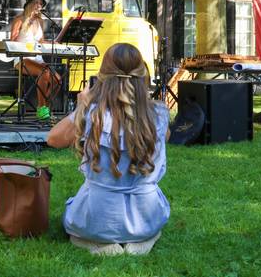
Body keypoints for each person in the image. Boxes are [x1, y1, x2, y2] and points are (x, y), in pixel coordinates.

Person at [47, 43, 170, 255]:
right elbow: (164, 138)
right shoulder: (159, 114)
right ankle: (142, 241)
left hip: (97, 217)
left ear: (102, 75)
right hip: (145, 216)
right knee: (149, 227)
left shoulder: (91, 113)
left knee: (76, 221)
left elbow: (53, 139)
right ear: (142, 76)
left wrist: (81, 107)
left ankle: (99, 244)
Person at [10, 0, 60, 117]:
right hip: (22, 58)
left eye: (41, 4)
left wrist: (53, 43)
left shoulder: (40, 21)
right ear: (29, 5)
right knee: (44, 72)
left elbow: (41, 41)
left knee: (57, 80)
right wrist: (26, 24)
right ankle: (42, 109)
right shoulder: (19, 19)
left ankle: (45, 106)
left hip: (37, 58)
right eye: (36, 3)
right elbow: (12, 41)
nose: (39, 6)